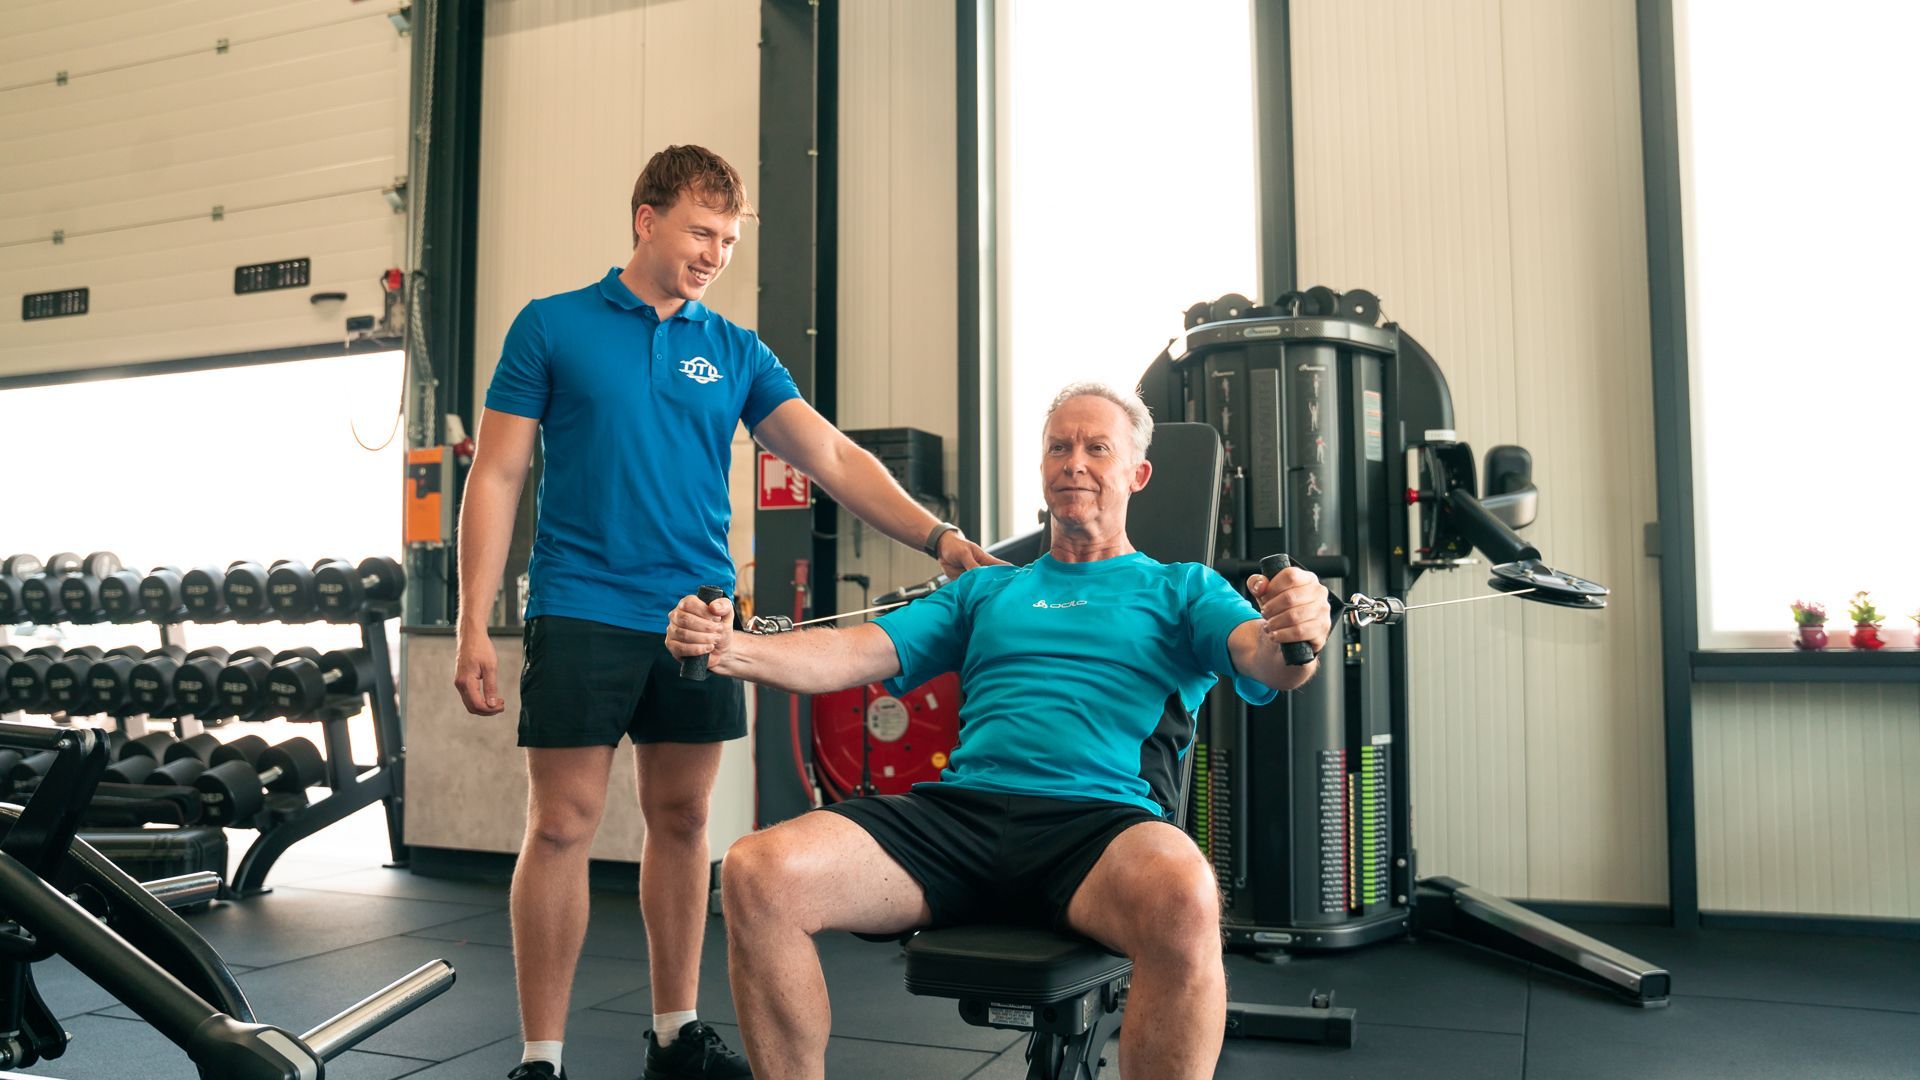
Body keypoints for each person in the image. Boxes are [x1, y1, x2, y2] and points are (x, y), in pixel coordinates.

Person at [453, 144, 1001, 1080]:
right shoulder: (552, 326)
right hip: (582, 604)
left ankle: (674, 1033)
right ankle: (539, 1059)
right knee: (563, 824)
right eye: (701, 233)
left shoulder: (736, 350)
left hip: (701, 615)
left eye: (729, 241)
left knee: (682, 820)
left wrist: (939, 537)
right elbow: (498, 473)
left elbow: (830, 456)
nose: (714, 254)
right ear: (646, 219)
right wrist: (473, 619)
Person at [665, 382, 1336, 1080]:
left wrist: (1298, 629)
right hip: (959, 820)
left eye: (1096, 448)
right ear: (1042, 471)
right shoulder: (988, 589)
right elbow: (859, 651)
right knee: (757, 871)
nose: (1074, 462)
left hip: (1099, 829)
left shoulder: (1182, 588)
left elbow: (1266, 659)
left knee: (1186, 893)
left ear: (1137, 475)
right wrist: (730, 648)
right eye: (1058, 447)